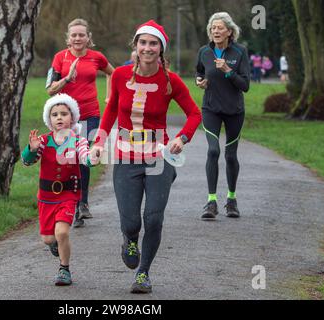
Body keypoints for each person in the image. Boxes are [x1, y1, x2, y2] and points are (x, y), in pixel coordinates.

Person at [91, 20, 202, 294]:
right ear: (136, 46)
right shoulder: (119, 76)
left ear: (161, 49)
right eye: (143, 43)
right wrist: (98, 142)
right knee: (131, 222)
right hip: (126, 157)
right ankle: (129, 238)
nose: (147, 48)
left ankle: (144, 273)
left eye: (153, 44)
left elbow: (195, 114)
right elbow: (111, 112)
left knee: (153, 218)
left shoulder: (170, 81)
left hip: (159, 157)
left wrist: (182, 137)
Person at [21, 94, 98, 286]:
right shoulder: (43, 141)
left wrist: (93, 157)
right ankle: (54, 243)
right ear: (49, 119)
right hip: (46, 197)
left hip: (68, 195)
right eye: (54, 114)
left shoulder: (78, 141)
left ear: (72, 118)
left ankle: (64, 269)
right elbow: (27, 162)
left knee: (62, 232)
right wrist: (31, 149)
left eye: (64, 113)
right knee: (48, 239)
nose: (59, 117)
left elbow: (85, 157)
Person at [46, 18, 114, 228]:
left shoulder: (97, 57)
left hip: (91, 114)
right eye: (74, 35)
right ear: (69, 38)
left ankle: (82, 204)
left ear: (88, 38)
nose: (77, 38)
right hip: (67, 118)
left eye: (81, 35)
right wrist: (67, 78)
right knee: (70, 159)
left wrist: (109, 96)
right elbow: (50, 89)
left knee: (84, 158)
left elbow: (113, 73)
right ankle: (73, 204)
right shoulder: (60, 58)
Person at [195, 12, 250, 221]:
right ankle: (211, 201)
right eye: (212, 28)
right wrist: (199, 81)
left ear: (229, 31)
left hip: (234, 110)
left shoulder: (239, 52)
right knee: (212, 151)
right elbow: (199, 73)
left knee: (230, 155)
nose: (215, 31)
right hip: (211, 108)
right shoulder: (204, 52)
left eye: (219, 28)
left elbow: (245, 85)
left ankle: (232, 199)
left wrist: (228, 70)